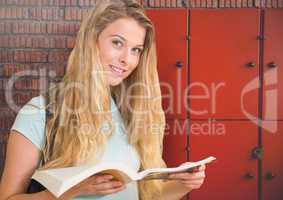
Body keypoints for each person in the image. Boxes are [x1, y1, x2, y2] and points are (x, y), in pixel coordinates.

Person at [0, 0, 206, 199]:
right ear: (91, 41)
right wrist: (70, 192)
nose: (127, 59)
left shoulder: (130, 112)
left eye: (136, 50)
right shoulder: (39, 112)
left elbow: (147, 197)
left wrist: (182, 184)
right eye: (117, 43)